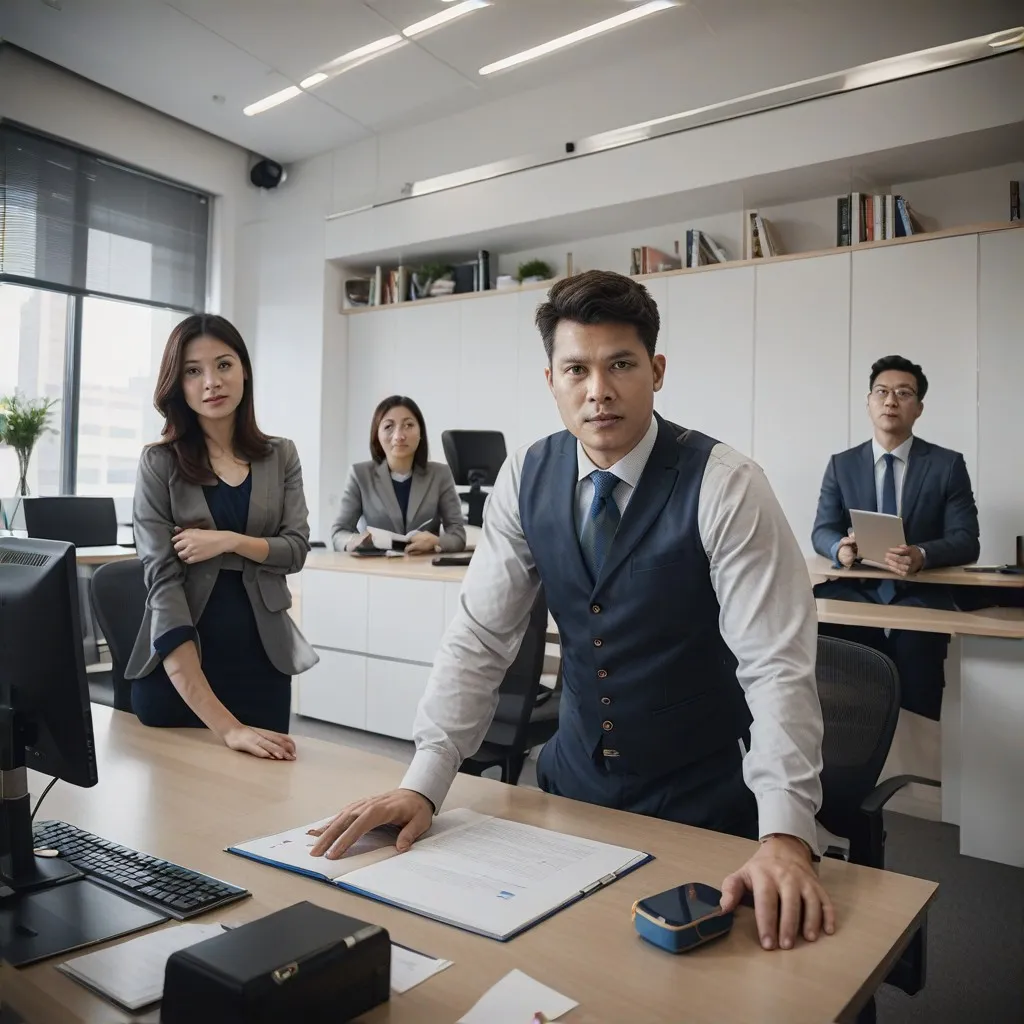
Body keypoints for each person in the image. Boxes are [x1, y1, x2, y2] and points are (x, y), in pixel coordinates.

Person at [312, 270, 833, 954]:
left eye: (621, 364)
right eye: (576, 369)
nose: (599, 391)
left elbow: (777, 669)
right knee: (561, 966)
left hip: (706, 806)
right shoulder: (525, 476)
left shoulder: (727, 485)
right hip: (569, 792)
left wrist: (786, 838)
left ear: (657, 370)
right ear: (551, 380)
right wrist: (423, 785)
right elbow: (479, 639)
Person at [125, 314, 318, 759]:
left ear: (244, 371)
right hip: (183, 674)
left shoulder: (280, 455)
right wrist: (226, 727)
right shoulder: (159, 463)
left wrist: (227, 540)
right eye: (194, 371)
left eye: (224, 365)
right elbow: (163, 584)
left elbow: (296, 550)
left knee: (267, 811)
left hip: (262, 662)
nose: (212, 382)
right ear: (178, 384)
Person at [811, 355, 980, 722]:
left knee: (919, 678)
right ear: (869, 402)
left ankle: (919, 759)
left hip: (920, 591)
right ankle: (847, 743)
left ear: (918, 408)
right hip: (857, 589)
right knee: (842, 668)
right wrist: (840, 548)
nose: (891, 401)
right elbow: (822, 530)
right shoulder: (842, 464)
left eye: (903, 393)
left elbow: (967, 539)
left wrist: (921, 553)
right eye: (882, 392)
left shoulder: (947, 465)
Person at [331, 395, 466, 556]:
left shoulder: (440, 474)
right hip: (375, 571)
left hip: (425, 570)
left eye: (408, 425)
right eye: (389, 427)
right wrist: (353, 541)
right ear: (377, 435)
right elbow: (339, 532)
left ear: (420, 431)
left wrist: (436, 541)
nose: (399, 436)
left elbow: (458, 535)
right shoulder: (360, 475)